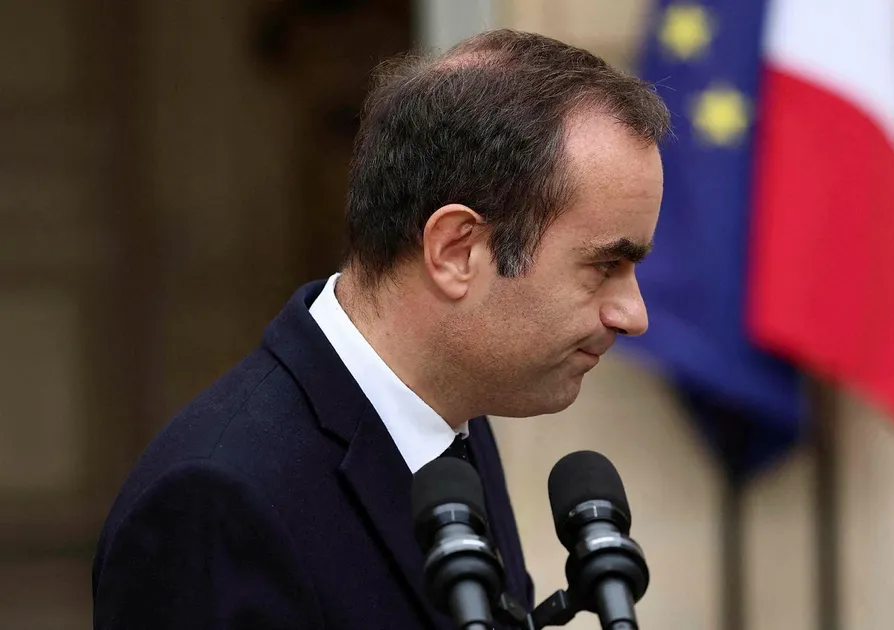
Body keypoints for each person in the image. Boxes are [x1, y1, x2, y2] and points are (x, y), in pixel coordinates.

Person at [91, 29, 668, 630]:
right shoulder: (213, 503)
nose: (633, 315)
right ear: (455, 251)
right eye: (606, 265)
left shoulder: (454, 426)